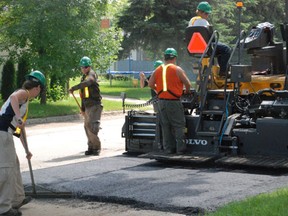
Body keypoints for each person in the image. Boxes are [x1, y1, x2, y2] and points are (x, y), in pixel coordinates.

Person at [0, 70, 46, 216]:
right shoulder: (23, 93)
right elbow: (14, 97)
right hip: (2, 133)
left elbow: (20, 131)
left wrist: (27, 150)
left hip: (6, 133)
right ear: (37, 87)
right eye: (39, 91)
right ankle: (4, 208)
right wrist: (19, 117)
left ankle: (17, 199)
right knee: (6, 170)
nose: (37, 94)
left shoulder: (24, 101)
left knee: (15, 165)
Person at [148, 48, 191, 154]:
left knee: (165, 125)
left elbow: (150, 84)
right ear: (175, 58)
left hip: (161, 102)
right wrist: (186, 91)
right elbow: (188, 84)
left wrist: (159, 91)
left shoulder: (157, 70)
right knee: (178, 125)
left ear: (165, 58)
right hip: (174, 102)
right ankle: (181, 149)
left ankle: (168, 149)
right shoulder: (177, 69)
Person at [69, 56, 103, 156]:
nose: (84, 69)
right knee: (86, 126)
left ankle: (96, 147)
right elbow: (83, 95)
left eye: (85, 67)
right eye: (82, 67)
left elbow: (89, 82)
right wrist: (83, 108)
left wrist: (74, 88)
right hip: (88, 106)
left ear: (89, 67)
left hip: (95, 105)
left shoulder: (91, 75)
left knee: (92, 126)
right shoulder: (84, 77)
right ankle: (91, 147)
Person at [188, 1, 231, 77]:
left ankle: (220, 70)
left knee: (220, 50)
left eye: (208, 14)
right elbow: (211, 38)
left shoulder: (192, 21)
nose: (207, 15)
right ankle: (223, 72)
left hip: (193, 48)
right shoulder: (203, 22)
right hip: (205, 47)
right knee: (226, 49)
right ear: (200, 12)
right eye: (206, 13)